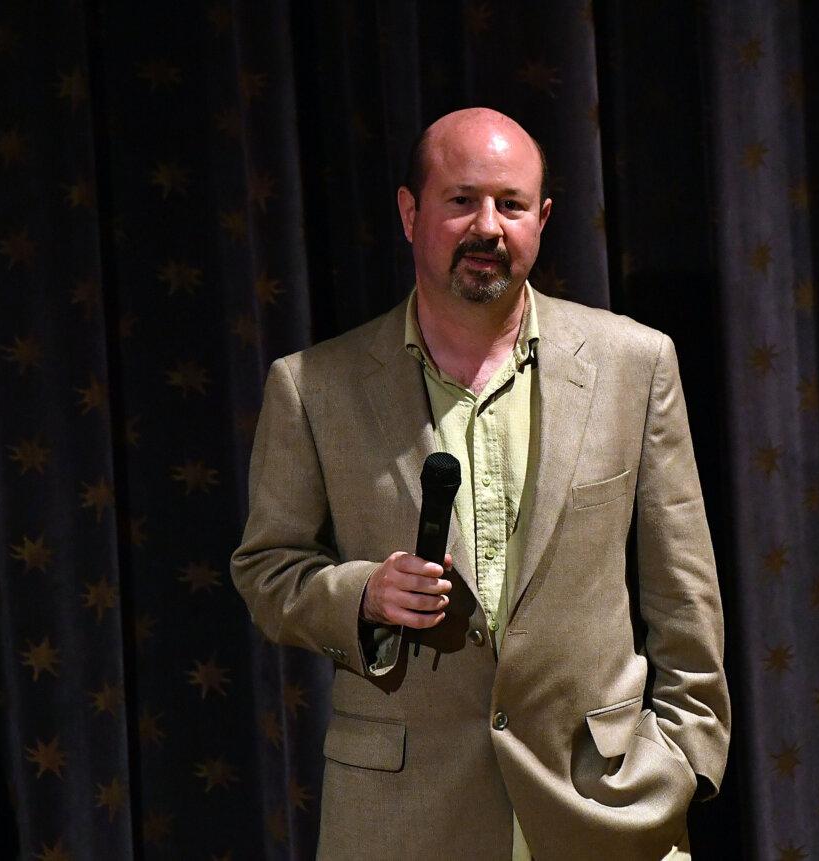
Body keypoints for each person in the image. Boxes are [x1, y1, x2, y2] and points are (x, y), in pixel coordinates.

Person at [231, 107, 729, 860]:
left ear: (543, 218)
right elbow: (266, 570)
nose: (487, 226)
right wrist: (363, 594)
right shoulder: (312, 387)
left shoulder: (635, 363)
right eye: (461, 201)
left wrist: (686, 761)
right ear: (410, 213)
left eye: (512, 204)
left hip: (605, 807)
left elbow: (683, 591)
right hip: (403, 818)